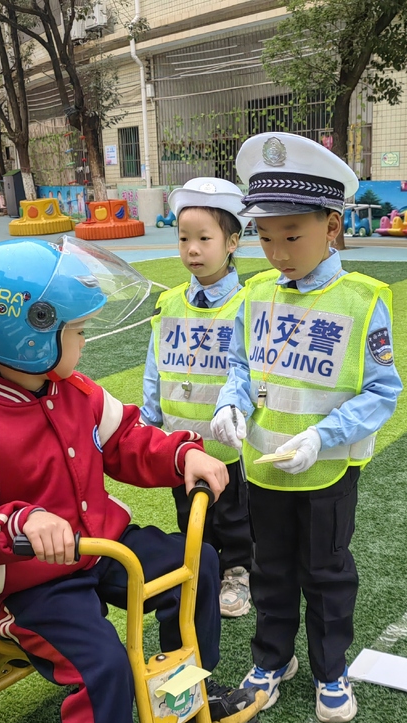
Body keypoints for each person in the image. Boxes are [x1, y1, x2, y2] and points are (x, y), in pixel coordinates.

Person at [0, 237, 264, 723]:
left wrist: (184, 455)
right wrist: (21, 522)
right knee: (100, 669)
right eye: (77, 331)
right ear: (30, 333)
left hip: (103, 543)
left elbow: (129, 439)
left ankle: (187, 702)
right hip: (34, 582)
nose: (84, 342)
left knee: (197, 563)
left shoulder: (76, 391)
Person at [212, 132, 403, 723]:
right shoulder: (254, 294)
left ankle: (329, 667)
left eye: (292, 236)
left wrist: (323, 436)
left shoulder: (362, 300)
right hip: (264, 468)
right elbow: (241, 364)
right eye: (266, 238)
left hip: (325, 473)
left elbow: (382, 391)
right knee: (269, 569)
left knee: (324, 572)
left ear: (333, 225)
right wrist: (228, 403)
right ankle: (272, 659)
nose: (278, 252)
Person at [142, 177, 255, 618]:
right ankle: (202, 572)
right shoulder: (169, 303)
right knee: (190, 515)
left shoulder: (247, 303)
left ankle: (238, 573)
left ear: (232, 241)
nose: (192, 249)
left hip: (228, 444)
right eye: (184, 237)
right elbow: (157, 365)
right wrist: (150, 419)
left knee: (234, 517)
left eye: (204, 238)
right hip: (180, 442)